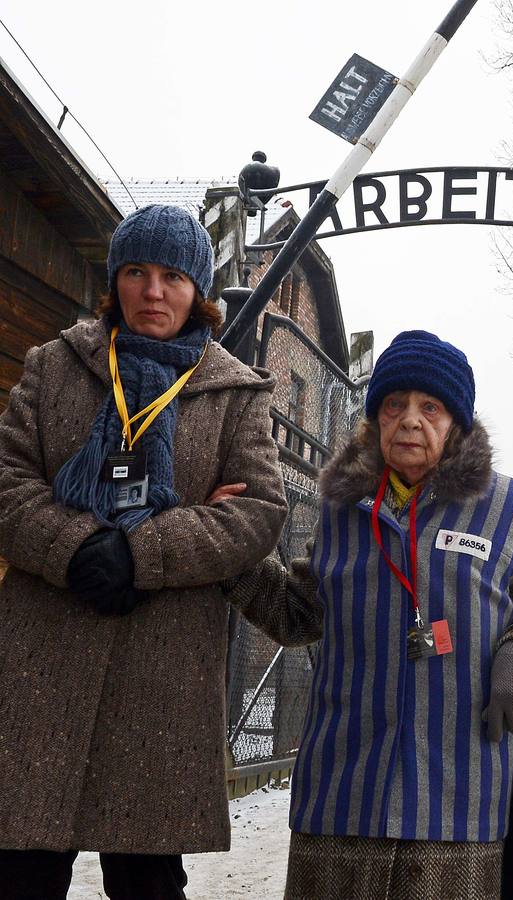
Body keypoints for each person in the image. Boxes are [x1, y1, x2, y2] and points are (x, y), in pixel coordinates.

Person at [225, 330, 513, 900]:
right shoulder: (343, 509)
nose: (410, 420)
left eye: (431, 407)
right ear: (375, 419)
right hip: (342, 798)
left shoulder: (503, 507)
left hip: (459, 805)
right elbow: (299, 615)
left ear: (457, 425)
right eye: (394, 405)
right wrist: (234, 552)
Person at [0, 204, 289, 899]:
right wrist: (76, 548)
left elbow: (256, 514)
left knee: (147, 882)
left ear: (198, 291)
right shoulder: (53, 367)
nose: (152, 291)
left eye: (172, 275)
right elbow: (7, 484)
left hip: (161, 673)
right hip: (43, 662)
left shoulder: (235, 394)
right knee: (19, 872)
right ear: (115, 281)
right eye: (136, 272)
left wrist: (141, 553)